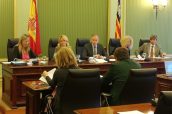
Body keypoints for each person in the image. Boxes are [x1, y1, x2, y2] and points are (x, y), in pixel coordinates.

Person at [42, 47, 79, 114]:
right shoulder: (81, 71)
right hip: (79, 106)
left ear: (60, 59)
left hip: (61, 106)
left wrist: (46, 76)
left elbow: (52, 84)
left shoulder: (59, 72)